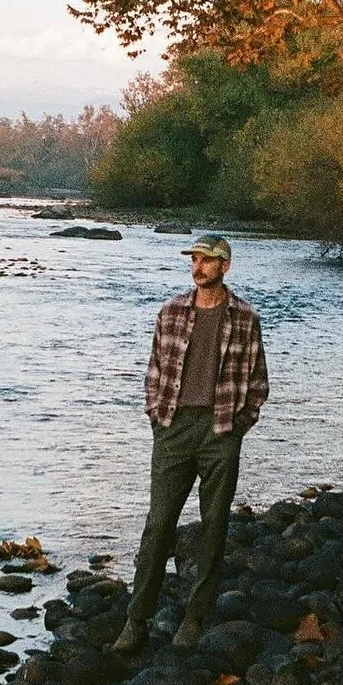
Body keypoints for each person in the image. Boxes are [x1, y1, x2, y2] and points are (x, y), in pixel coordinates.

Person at [113, 233, 269, 652]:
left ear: (225, 267)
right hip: (174, 429)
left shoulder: (245, 318)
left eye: (208, 260)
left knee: (214, 526)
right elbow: (154, 371)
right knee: (158, 524)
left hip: (220, 431)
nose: (198, 266)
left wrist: (238, 428)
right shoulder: (171, 312)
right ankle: (136, 620)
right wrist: (157, 420)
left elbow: (257, 383)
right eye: (195, 260)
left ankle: (195, 617)